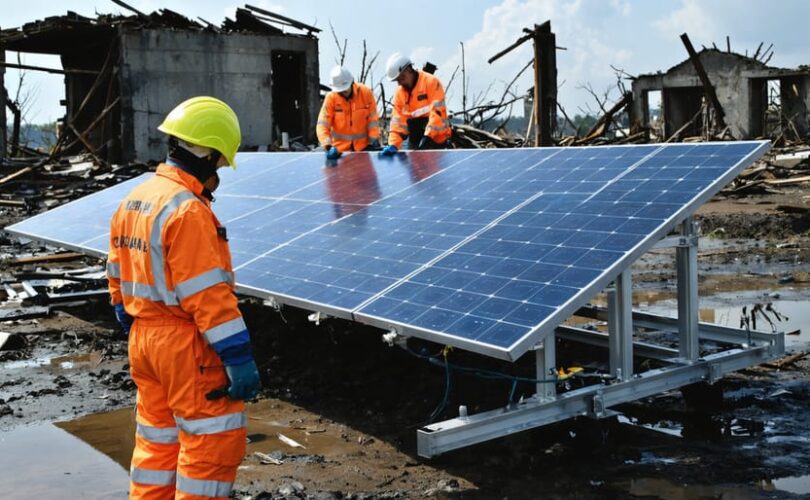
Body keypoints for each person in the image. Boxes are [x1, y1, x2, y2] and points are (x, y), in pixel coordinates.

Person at [107, 96, 261, 499]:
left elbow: (116, 274)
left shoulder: (135, 200)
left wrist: (136, 322)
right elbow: (207, 295)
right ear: (207, 152)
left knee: (157, 447)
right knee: (209, 449)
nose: (220, 173)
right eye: (220, 162)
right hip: (185, 345)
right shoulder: (187, 211)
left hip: (144, 339)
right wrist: (237, 355)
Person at [379, 53, 452, 156]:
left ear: (409, 70)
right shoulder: (400, 93)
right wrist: (393, 144)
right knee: (416, 170)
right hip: (416, 140)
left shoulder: (431, 82)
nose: (399, 83)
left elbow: (437, 113)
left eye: (402, 78)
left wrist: (428, 137)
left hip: (437, 140)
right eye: (397, 80)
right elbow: (397, 121)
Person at [317, 65, 381, 160]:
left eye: (345, 90)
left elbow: (373, 120)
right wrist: (328, 146)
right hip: (339, 152)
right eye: (340, 91)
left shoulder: (365, 93)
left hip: (363, 150)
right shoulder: (331, 98)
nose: (342, 92)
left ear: (351, 83)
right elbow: (322, 125)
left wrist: (374, 139)